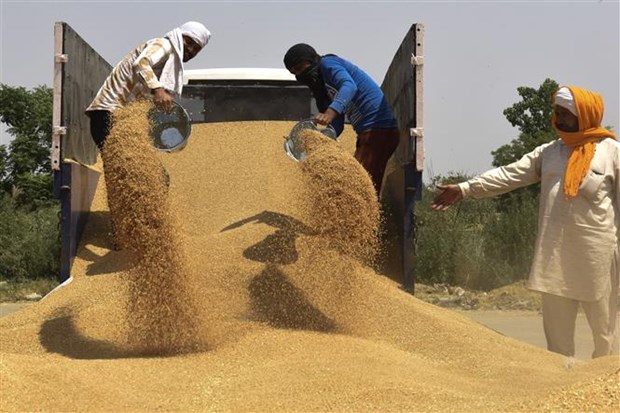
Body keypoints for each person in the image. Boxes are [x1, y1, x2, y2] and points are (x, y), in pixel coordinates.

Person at [431, 85, 619, 359]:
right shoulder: (550, 152)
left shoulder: (611, 152)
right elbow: (509, 174)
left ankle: (602, 395)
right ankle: (560, 392)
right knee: (557, 347)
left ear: (585, 114)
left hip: (597, 259)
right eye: (556, 111)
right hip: (554, 258)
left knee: (604, 339)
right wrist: (465, 188)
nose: (557, 118)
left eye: (564, 112)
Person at [283, 43, 399, 196]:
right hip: (367, 135)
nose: (299, 74)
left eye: (300, 68)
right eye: (294, 72)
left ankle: (365, 219)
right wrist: (319, 140)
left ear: (310, 60)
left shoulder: (328, 64)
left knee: (359, 186)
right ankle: (367, 218)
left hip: (380, 130)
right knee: (364, 186)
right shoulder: (322, 87)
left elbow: (349, 86)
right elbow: (336, 125)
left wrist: (330, 112)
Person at [86, 21, 211, 150]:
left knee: (129, 165)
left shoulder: (168, 61)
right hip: (108, 114)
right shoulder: (164, 45)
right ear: (179, 36)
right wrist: (158, 89)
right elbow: (141, 63)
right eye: (189, 42)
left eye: (196, 49)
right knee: (126, 163)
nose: (191, 50)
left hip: (122, 119)